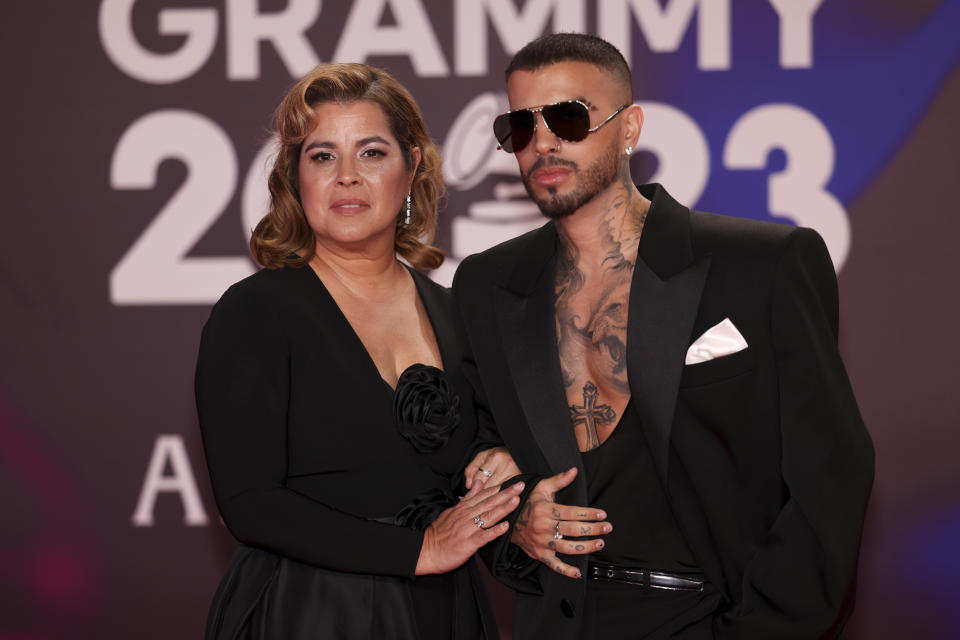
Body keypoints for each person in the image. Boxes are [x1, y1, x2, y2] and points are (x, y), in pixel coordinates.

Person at [454, 33, 875, 639]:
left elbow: (830, 473)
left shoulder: (763, 264)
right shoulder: (487, 284)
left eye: (569, 118)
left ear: (630, 128)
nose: (542, 141)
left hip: (713, 617)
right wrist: (517, 524)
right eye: (520, 126)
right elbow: (478, 448)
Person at [195, 62, 522, 640]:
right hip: (308, 610)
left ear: (412, 165)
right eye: (322, 156)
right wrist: (418, 549)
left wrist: (497, 458)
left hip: (443, 611)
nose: (347, 176)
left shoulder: (457, 313)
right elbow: (248, 503)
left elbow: (481, 450)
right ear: (297, 178)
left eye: (371, 153)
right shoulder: (255, 311)